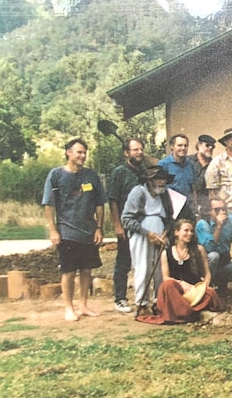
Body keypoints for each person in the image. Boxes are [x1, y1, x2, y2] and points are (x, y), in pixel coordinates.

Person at [42, 138, 105, 322]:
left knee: (86, 270)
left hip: (88, 231)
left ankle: (83, 305)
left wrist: (99, 228)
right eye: (79, 152)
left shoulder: (91, 176)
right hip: (67, 231)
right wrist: (53, 230)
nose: (83, 156)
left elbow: (100, 204)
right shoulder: (56, 175)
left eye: (85, 152)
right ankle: (68, 308)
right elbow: (49, 204)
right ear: (68, 153)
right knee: (69, 272)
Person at [121, 165, 175, 313]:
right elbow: (126, 219)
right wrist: (147, 233)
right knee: (143, 268)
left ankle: (159, 302)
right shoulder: (138, 192)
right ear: (149, 181)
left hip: (160, 234)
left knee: (161, 269)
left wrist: (166, 232)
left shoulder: (164, 194)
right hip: (142, 234)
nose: (161, 182)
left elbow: (170, 217)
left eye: (163, 179)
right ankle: (142, 303)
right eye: (157, 179)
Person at [152, 218, 224, 323]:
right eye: (186, 230)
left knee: (210, 293)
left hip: (194, 291)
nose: (189, 233)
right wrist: (181, 283)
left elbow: (207, 273)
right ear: (177, 232)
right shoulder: (166, 253)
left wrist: (202, 288)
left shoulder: (199, 249)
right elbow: (166, 277)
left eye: (191, 231)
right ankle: (187, 311)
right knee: (167, 285)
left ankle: (181, 311)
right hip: (176, 291)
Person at [107, 137, 147, 314]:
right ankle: (120, 298)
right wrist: (118, 225)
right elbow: (113, 201)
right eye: (135, 150)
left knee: (144, 262)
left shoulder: (145, 172)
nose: (139, 152)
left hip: (144, 225)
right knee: (124, 262)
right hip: (126, 224)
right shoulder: (120, 172)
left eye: (141, 149)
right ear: (126, 153)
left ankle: (144, 298)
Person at [157, 134, 196, 221]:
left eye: (185, 145)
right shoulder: (163, 165)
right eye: (179, 145)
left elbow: (193, 189)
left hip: (188, 211)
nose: (183, 148)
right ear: (172, 147)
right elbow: (157, 190)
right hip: (170, 211)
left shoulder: (190, 165)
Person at [188, 134, 216, 212]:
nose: (210, 148)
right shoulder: (188, 161)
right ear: (199, 145)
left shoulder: (214, 165)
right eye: (207, 145)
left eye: (212, 147)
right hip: (189, 203)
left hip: (206, 205)